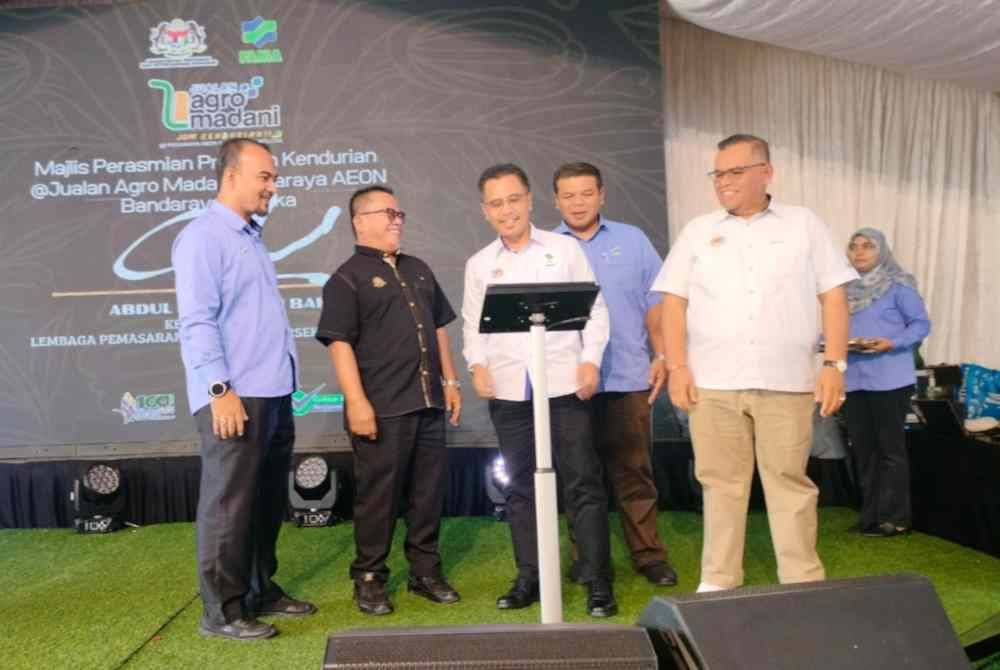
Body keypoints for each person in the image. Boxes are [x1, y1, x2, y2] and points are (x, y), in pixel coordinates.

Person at [653, 134, 858, 592]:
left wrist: (834, 365)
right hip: (713, 382)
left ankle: (802, 583)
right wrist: (679, 366)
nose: (724, 182)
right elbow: (673, 303)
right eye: (718, 174)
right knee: (721, 486)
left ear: (766, 172)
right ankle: (719, 583)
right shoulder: (698, 230)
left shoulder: (804, 224)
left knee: (789, 483)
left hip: (786, 380)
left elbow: (834, 296)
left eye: (735, 172)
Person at [173, 138, 316, 641]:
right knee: (229, 504)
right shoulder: (202, 237)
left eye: (274, 178)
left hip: (272, 390)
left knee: (264, 499)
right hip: (234, 394)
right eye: (266, 177)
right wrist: (219, 389)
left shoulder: (250, 237)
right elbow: (196, 321)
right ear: (231, 176)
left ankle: (259, 589)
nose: (273, 187)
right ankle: (222, 612)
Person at [462, 163, 617, 617]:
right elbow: (474, 326)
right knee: (520, 489)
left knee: (583, 483)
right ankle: (529, 575)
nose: (506, 210)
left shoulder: (564, 249)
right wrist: (477, 364)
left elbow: (596, 310)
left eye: (513, 200)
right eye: (496, 203)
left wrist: (590, 360)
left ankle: (596, 581)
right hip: (511, 392)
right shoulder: (480, 264)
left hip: (566, 385)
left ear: (529, 201)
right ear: (485, 211)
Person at [315, 185, 463, 616]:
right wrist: (357, 403)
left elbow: (438, 328)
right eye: (387, 213)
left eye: (400, 212)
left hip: (428, 401)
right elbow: (339, 344)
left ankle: (425, 572)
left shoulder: (418, 268)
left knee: (428, 494)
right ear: (360, 221)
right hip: (379, 409)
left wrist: (451, 382)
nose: (397, 219)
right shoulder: (345, 278)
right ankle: (369, 578)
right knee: (378, 498)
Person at [552, 161, 677, 587]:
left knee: (635, 473)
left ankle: (649, 556)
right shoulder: (547, 247)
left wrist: (661, 353)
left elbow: (656, 302)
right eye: (568, 195)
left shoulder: (633, 240)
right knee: (578, 478)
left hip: (626, 376)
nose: (578, 202)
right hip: (568, 385)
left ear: (602, 195)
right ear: (556, 201)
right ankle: (587, 560)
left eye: (586, 193)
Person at [843, 228, 930, 537]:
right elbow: (834, 328)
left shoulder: (898, 285)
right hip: (853, 380)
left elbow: (921, 325)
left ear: (882, 250)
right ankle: (869, 517)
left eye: (867, 246)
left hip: (890, 378)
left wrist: (891, 343)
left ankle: (896, 518)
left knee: (890, 451)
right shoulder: (844, 289)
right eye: (854, 247)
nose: (859, 252)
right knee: (864, 450)